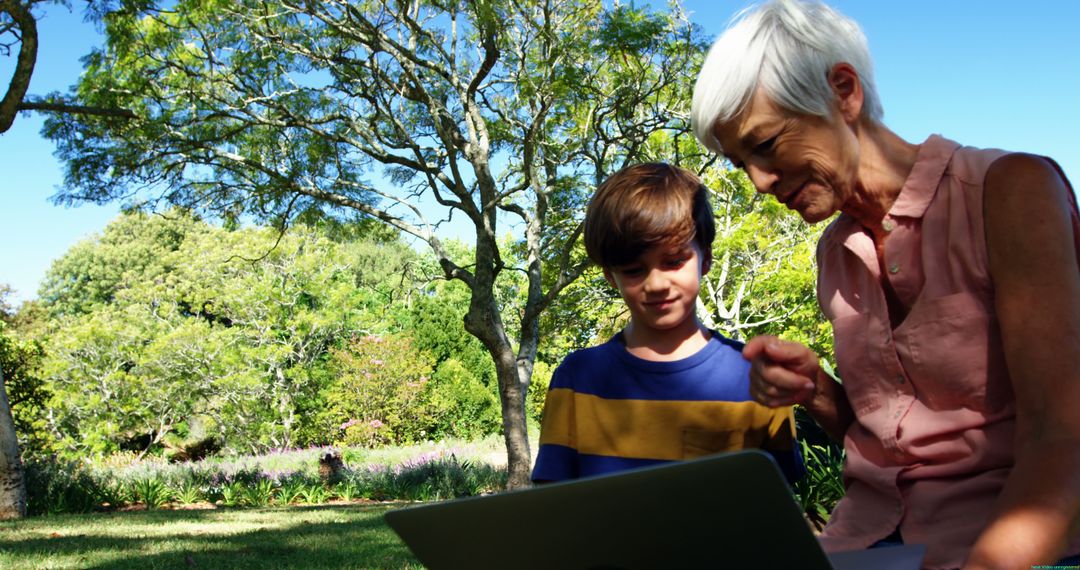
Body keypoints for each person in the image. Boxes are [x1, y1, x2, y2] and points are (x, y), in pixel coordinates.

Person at [690, 1, 1080, 569]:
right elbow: (891, 446)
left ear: (843, 91)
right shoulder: (834, 252)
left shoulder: (1010, 192)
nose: (759, 182)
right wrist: (816, 390)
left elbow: (1062, 442)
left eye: (767, 145)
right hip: (866, 545)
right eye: (740, 162)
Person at [531, 163, 804, 484]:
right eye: (634, 269)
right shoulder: (576, 379)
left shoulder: (756, 378)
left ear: (706, 258)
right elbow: (552, 504)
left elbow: (777, 503)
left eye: (674, 261)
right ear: (610, 276)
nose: (657, 283)